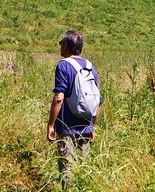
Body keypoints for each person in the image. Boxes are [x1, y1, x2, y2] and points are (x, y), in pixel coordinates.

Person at [47, 29, 100, 189]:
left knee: (67, 170)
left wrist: (51, 125)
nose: (60, 46)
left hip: (67, 127)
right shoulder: (91, 67)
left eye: (61, 43)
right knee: (84, 169)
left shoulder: (64, 65)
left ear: (66, 45)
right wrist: (93, 125)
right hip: (86, 126)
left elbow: (59, 98)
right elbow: (97, 100)